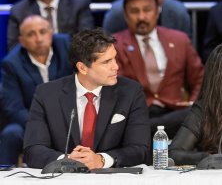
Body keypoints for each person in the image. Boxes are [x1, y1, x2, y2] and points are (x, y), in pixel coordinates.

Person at [23, 29, 149, 169]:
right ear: (82, 68)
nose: (116, 67)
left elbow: (140, 149)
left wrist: (101, 160)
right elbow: (32, 150)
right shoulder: (46, 94)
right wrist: (68, 160)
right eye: (106, 62)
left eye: (114, 58)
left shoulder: (131, 92)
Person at [112, 0, 204, 137]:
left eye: (147, 10)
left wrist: (193, 103)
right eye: (135, 11)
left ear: (157, 11)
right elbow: (116, 87)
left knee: (198, 112)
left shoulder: (179, 39)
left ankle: (147, 131)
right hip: (139, 114)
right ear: (126, 15)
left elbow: (200, 77)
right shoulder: (115, 45)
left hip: (176, 111)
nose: (141, 17)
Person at [0, 16, 74, 165]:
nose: (38, 38)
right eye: (31, 34)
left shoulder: (67, 47)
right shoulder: (11, 64)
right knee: (11, 133)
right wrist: (43, 126)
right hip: (31, 120)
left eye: (42, 31)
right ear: (21, 41)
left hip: (70, 116)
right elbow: (14, 108)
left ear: (51, 32)